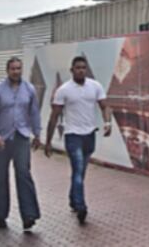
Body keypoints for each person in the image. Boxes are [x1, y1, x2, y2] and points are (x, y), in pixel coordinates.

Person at [45, 56, 112, 224]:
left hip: (89, 135)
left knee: (80, 172)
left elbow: (105, 106)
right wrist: (48, 141)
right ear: (72, 70)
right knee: (78, 167)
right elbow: (54, 116)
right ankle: (81, 207)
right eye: (78, 68)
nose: (81, 70)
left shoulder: (95, 86)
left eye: (83, 67)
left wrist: (108, 122)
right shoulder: (64, 90)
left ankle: (73, 199)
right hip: (72, 135)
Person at [0, 57, 42, 232]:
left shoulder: (29, 89)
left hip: (21, 137)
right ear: (7, 70)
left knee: (23, 174)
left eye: (19, 68)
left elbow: (34, 113)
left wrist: (37, 133)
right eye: (13, 69)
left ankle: (29, 215)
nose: (16, 72)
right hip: (2, 140)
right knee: (1, 177)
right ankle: (0, 215)